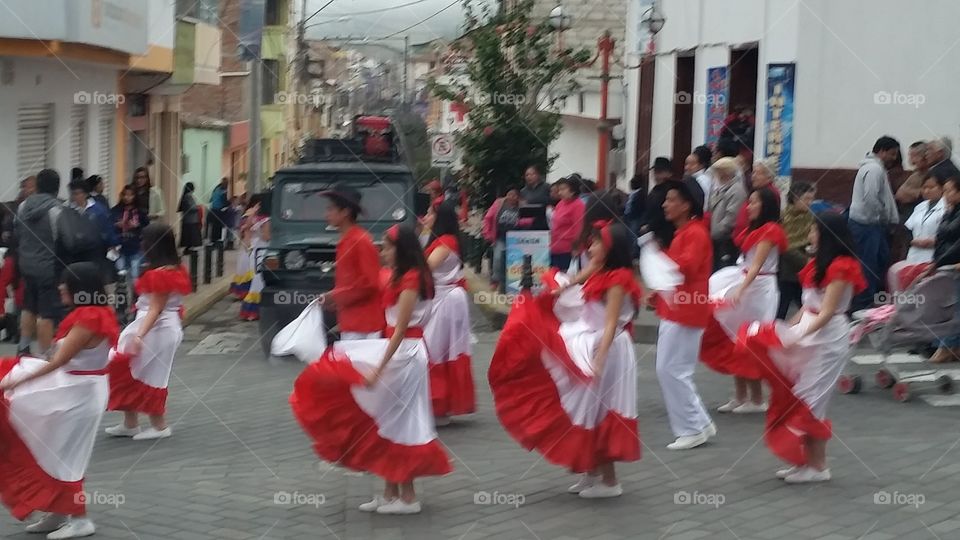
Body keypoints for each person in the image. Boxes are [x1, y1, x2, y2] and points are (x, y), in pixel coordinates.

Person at [290, 224, 451, 514]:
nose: (383, 253)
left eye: (388, 248)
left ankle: (408, 497)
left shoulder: (412, 279)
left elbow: (401, 329)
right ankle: (390, 493)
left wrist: (379, 367)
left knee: (399, 423)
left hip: (406, 353)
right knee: (385, 420)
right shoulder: (403, 276)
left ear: (401, 250)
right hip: (400, 351)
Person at [489, 221, 641, 498]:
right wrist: (561, 288)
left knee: (600, 408)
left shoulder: (618, 279)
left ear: (610, 248)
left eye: (595, 243)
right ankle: (591, 471)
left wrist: (599, 359)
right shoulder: (600, 270)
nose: (590, 247)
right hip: (594, 343)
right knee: (585, 406)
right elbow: (580, 278)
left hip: (609, 349)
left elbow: (610, 324)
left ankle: (610, 481)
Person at [739, 213, 866, 483]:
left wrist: (794, 335)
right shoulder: (820, 263)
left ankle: (818, 467)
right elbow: (808, 307)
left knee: (811, 401)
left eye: (814, 230)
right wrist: (785, 328)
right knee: (802, 396)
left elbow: (827, 312)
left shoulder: (842, 265)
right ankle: (808, 463)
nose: (810, 234)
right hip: (812, 331)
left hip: (828, 339)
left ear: (827, 235)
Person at [0, 262, 119, 539]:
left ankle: (80, 519)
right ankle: (59, 513)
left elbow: (58, 361)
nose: (60, 287)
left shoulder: (89, 318)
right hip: (74, 388)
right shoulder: (95, 313)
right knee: (55, 449)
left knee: (65, 456)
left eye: (65, 283)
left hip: (76, 392)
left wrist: (19, 380)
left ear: (79, 288)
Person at [701, 188, 786, 413]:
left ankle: (757, 399)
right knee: (731, 337)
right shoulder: (755, 229)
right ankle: (740, 395)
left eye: (754, 202)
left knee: (748, 341)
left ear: (765, 205)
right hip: (747, 282)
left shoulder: (770, 230)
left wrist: (741, 287)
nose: (748, 207)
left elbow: (757, 265)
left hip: (758, 289)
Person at [105, 223, 190, 440]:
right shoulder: (175, 269)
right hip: (158, 327)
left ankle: (159, 426)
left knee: (149, 375)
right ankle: (130, 423)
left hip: (155, 328)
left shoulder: (160, 274)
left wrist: (139, 335)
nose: (141, 243)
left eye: (145, 240)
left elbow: (155, 308)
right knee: (129, 369)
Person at [655, 180, 716, 450]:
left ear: (686, 204)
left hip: (686, 310)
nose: (665, 205)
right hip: (680, 308)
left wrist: (656, 261)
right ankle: (699, 422)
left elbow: (686, 268)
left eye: (671, 199)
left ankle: (691, 428)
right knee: (674, 369)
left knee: (672, 370)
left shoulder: (694, 233)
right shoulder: (686, 232)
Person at [422, 201, 475, 424]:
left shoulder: (445, 242)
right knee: (440, 349)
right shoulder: (442, 239)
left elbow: (425, 267)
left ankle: (439, 404)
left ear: (438, 217)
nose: (425, 216)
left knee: (435, 350)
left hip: (445, 301)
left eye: (429, 213)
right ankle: (438, 404)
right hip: (443, 298)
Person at [316, 188, 384, 338]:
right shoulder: (347, 240)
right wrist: (336, 300)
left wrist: (335, 295)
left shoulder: (360, 241)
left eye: (331, 209)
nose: (326, 214)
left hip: (364, 324)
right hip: (352, 320)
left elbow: (370, 283)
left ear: (345, 212)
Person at [849, 136, 900, 311]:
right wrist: (883, 217)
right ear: (882, 151)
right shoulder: (874, 169)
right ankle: (862, 305)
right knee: (868, 265)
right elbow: (871, 198)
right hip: (868, 225)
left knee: (876, 262)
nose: (894, 158)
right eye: (892, 154)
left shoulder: (875, 168)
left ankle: (867, 301)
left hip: (870, 224)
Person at [16, 169, 64, 355]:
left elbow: (18, 232)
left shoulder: (23, 206)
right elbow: (60, 239)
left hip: (26, 264)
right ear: (57, 188)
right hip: (48, 268)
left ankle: (23, 347)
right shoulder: (57, 210)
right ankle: (46, 356)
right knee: (46, 313)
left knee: (28, 306)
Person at [887, 173, 946, 294]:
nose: (927, 191)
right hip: (915, 253)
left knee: (928, 290)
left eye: (931, 187)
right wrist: (912, 241)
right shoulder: (920, 207)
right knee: (910, 288)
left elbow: (947, 232)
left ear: (941, 189)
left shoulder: (946, 208)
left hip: (933, 255)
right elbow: (908, 229)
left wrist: (934, 241)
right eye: (924, 187)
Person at [926, 175, 960, 363]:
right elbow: (942, 235)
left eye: (949, 191)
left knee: (954, 309)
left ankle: (947, 346)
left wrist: (941, 261)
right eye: (944, 190)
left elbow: (956, 244)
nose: (945, 195)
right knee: (944, 307)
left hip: (955, 264)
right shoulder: (951, 211)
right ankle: (950, 346)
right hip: (945, 263)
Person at [777, 182, 816, 319]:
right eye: (806, 199)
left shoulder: (811, 218)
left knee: (806, 308)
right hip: (787, 271)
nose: (809, 203)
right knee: (781, 308)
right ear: (795, 198)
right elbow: (784, 245)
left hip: (804, 273)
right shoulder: (784, 217)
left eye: (812, 199)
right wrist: (807, 262)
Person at [708, 157, 748, 271]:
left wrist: (716, 232)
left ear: (725, 172)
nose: (716, 175)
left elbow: (732, 217)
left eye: (718, 171)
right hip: (716, 240)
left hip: (726, 241)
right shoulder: (719, 188)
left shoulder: (736, 190)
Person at [240, 193, 271, 321]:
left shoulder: (258, 218)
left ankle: (252, 311)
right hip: (263, 250)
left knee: (257, 281)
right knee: (259, 281)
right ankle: (254, 311)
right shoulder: (266, 220)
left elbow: (247, 229)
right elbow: (266, 237)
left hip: (256, 250)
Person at [483, 188, 522, 291]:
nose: (511, 197)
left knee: (512, 261)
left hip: (515, 237)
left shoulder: (521, 206)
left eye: (514, 195)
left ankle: (509, 284)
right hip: (500, 236)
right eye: (509, 194)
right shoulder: (499, 203)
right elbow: (488, 217)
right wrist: (487, 233)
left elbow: (527, 220)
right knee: (497, 258)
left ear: (518, 197)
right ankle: (495, 280)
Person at [732, 159, 781, 240]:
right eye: (753, 172)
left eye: (758, 173)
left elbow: (764, 221)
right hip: (744, 238)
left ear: (769, 177)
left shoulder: (770, 194)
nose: (753, 176)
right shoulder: (757, 190)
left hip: (754, 239)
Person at [112, 185, 149, 285]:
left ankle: (135, 298)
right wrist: (116, 225)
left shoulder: (141, 212)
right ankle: (122, 298)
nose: (127, 198)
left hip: (136, 247)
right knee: (121, 275)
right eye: (125, 195)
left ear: (135, 196)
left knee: (135, 275)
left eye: (130, 195)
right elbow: (109, 227)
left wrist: (137, 226)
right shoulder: (115, 211)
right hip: (119, 247)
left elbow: (146, 229)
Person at [549, 177, 586, 270]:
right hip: (555, 247)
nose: (560, 192)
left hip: (568, 250)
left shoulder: (578, 205)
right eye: (559, 189)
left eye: (563, 189)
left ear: (573, 190)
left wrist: (577, 248)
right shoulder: (561, 203)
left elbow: (579, 228)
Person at [638, 158, 676, 248]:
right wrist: (643, 224)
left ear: (669, 173)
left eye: (660, 172)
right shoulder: (654, 190)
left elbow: (663, 214)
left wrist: (649, 226)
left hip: (664, 233)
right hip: (650, 234)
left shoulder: (670, 190)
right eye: (655, 172)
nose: (656, 176)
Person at [230, 195, 259, 301]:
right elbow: (246, 230)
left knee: (246, 268)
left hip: (249, 244)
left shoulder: (249, 213)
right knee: (248, 268)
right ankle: (245, 292)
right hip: (250, 244)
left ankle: (243, 292)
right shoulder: (251, 214)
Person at [895, 141, 930, 206]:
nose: (912, 160)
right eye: (910, 156)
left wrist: (910, 192)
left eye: (914, 156)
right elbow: (899, 195)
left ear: (925, 156)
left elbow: (923, 193)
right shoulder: (915, 174)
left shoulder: (932, 174)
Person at [177, 183, 203, 253]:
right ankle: (189, 249)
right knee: (191, 235)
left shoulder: (184, 196)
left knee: (187, 235)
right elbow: (192, 207)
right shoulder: (189, 196)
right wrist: (198, 208)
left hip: (187, 219)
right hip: (191, 219)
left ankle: (188, 248)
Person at [208, 177, 230, 244]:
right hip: (219, 210)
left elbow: (211, 199)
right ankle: (217, 240)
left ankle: (213, 239)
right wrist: (230, 203)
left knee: (214, 226)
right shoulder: (223, 190)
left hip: (213, 209)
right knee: (218, 226)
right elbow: (224, 201)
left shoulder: (216, 189)